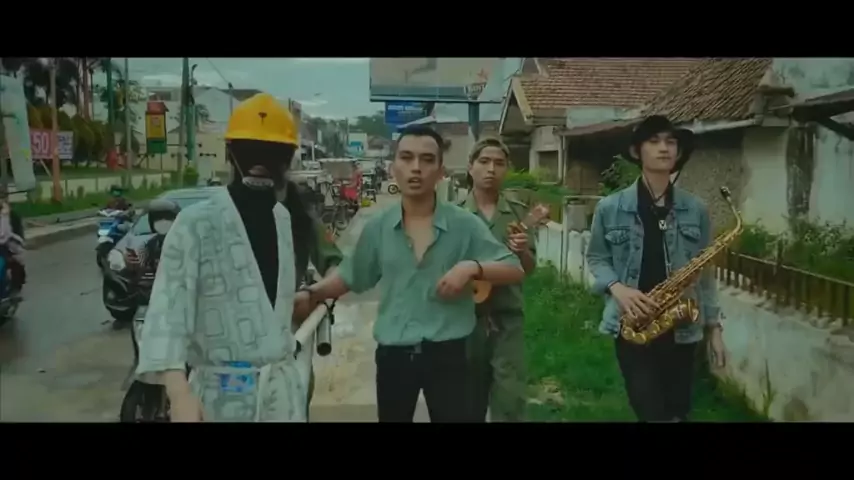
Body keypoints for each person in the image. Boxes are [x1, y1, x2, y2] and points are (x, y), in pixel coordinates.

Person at [297, 125, 525, 423]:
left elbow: (514, 268)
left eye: (427, 159)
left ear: (440, 171)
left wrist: (471, 267)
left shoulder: (465, 225)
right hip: (394, 356)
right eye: (406, 158)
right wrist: (312, 294)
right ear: (393, 168)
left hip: (451, 355)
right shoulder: (378, 228)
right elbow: (351, 275)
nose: (416, 168)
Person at [136, 93, 308, 423]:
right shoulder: (195, 223)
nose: (262, 162)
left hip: (280, 398)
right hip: (218, 399)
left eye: (274, 153)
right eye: (250, 151)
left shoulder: (283, 219)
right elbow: (168, 310)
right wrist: (179, 393)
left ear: (288, 159)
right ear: (231, 152)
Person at [586, 115, 727, 423]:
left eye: (671, 142)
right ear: (636, 151)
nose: (664, 148)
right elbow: (596, 257)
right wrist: (618, 289)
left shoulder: (696, 209)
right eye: (654, 141)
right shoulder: (610, 207)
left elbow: (705, 275)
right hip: (631, 323)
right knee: (649, 411)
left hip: (682, 328)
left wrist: (714, 329)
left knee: (677, 413)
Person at [459, 137, 536, 423]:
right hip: (463, 321)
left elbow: (529, 268)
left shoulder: (517, 212)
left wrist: (522, 251)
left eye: (499, 163)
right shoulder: (452, 213)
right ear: (470, 167)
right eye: (484, 161)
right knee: (466, 402)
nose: (491, 169)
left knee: (510, 400)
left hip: (507, 319)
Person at [276, 176, 343, 420]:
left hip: (289, 328)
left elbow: (337, 267)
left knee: (293, 400)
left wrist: (313, 294)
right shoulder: (221, 217)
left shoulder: (299, 216)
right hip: (234, 338)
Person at [0, 185, 25, 295]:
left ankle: (13, 288)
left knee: (13, 261)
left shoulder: (12, 216)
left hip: (9, 248)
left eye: (2, 197)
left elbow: (17, 238)